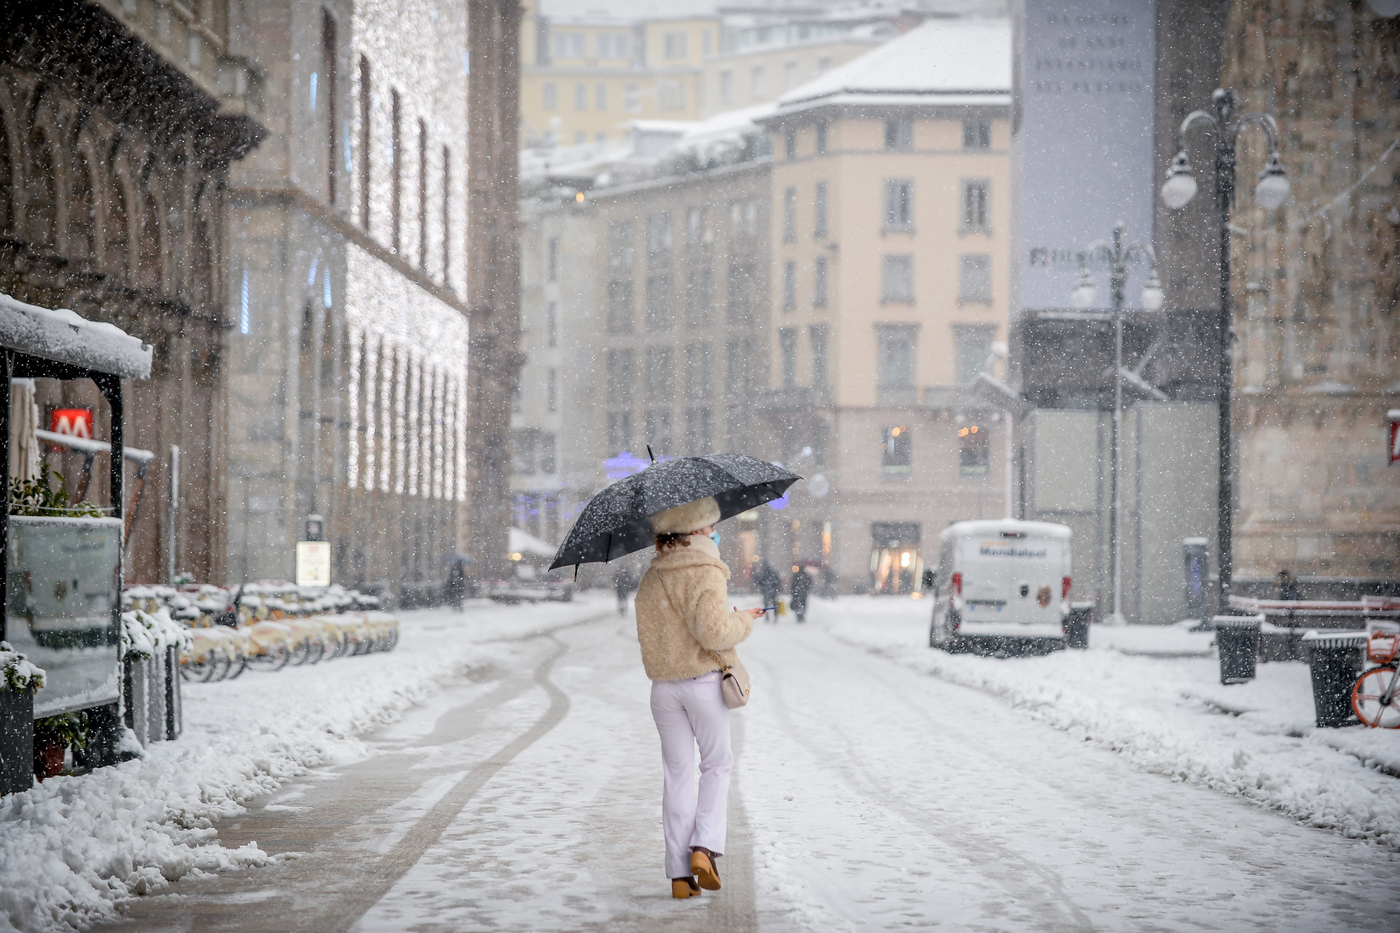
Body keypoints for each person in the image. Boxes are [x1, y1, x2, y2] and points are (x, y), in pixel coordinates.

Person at [633, 496, 763, 900]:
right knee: (717, 765)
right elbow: (713, 633)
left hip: (663, 688)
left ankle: (679, 875)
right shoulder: (706, 569)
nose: (713, 531)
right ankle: (703, 848)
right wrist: (743, 620)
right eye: (709, 525)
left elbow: (653, 634)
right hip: (702, 683)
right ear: (694, 530)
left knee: (677, 775)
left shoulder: (652, 576)